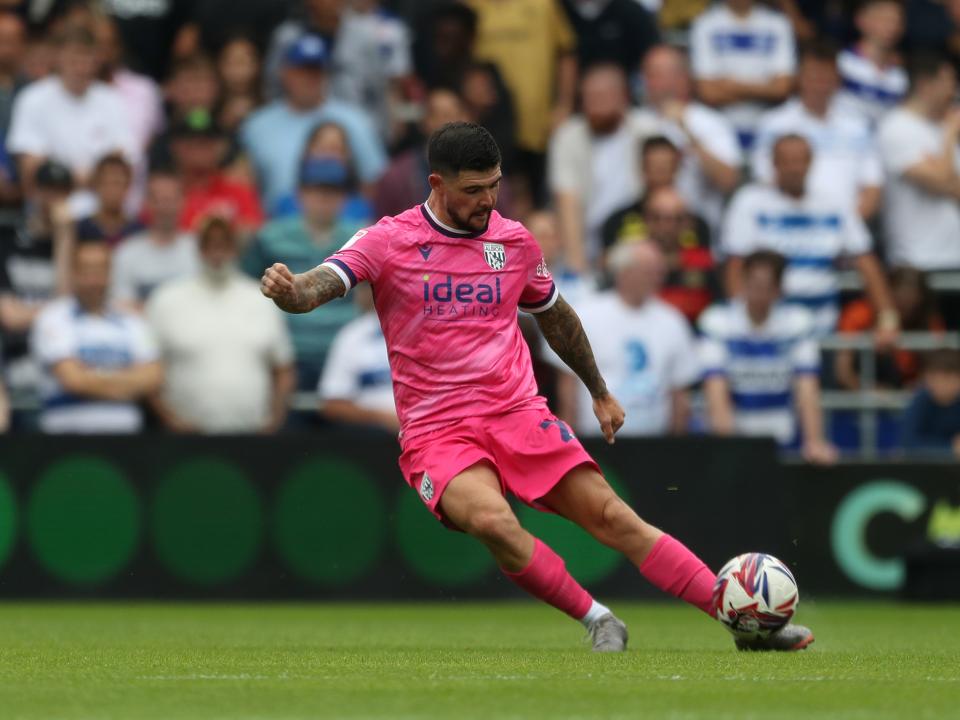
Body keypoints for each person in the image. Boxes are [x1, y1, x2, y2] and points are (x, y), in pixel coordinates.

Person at [259, 122, 815, 652]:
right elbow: (320, 286)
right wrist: (292, 291)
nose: (487, 201)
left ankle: (743, 623)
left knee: (616, 518)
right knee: (492, 521)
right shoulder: (389, 239)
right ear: (437, 184)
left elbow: (555, 315)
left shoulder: (514, 242)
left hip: (517, 412)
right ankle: (598, 619)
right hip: (437, 430)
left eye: (495, 186)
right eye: (473, 190)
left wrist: (597, 389)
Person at [723, 134, 897, 337]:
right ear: (773, 164)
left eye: (799, 161)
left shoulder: (834, 203)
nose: (794, 169)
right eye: (787, 162)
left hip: (822, 327)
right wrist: (741, 323)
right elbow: (736, 266)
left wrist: (887, 317)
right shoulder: (750, 202)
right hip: (770, 332)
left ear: (811, 162)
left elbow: (865, 258)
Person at [147, 216, 295, 434]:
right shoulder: (166, 299)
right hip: (184, 440)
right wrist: (169, 420)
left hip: (252, 435)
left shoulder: (262, 298)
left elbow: (284, 369)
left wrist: (274, 421)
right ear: (198, 249)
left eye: (223, 244)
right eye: (209, 244)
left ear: (235, 249)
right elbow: (148, 367)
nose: (217, 253)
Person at [699, 250, 838, 464]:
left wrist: (814, 441)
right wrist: (728, 448)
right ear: (742, 282)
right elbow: (716, 391)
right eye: (754, 283)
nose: (759, 292)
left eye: (767, 286)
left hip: (783, 438)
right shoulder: (717, 321)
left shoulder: (798, 323)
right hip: (734, 438)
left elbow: (807, 388)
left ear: (778, 289)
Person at [552, 241, 699, 437]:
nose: (657, 277)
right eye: (649, 271)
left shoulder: (673, 321)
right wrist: (569, 440)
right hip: (596, 441)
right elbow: (567, 385)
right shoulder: (586, 315)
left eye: (659, 271)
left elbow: (679, 394)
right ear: (624, 272)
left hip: (655, 444)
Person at [243, 157, 364, 390]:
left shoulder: (360, 237)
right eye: (317, 190)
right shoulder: (271, 236)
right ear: (300, 194)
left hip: (344, 353)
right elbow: (248, 289)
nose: (324, 199)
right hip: (288, 353)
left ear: (344, 198)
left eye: (332, 192)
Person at [242, 32, 386, 215]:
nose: (309, 77)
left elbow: (375, 183)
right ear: (284, 72)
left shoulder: (356, 121)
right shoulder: (256, 126)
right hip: (276, 230)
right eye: (302, 70)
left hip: (344, 229)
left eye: (316, 70)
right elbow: (243, 183)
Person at [30, 240, 163, 434]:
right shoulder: (53, 317)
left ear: (110, 275)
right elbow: (72, 380)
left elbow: (153, 377)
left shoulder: (132, 321)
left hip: (126, 437)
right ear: (74, 273)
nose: (94, 280)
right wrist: (127, 384)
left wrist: (91, 378)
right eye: (86, 271)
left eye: (100, 271)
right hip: (64, 438)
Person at [7, 24, 137, 212]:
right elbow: (32, 171)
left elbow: (121, 164)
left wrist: (64, 177)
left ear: (97, 60)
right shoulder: (32, 99)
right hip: (50, 211)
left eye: (87, 57)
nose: (80, 66)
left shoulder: (112, 100)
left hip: (101, 212)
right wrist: (93, 178)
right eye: (74, 57)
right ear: (58, 58)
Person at [752, 40, 884, 219]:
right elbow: (765, 180)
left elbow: (872, 186)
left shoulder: (858, 126)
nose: (820, 84)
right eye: (814, 76)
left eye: (826, 76)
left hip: (846, 232)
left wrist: (846, 228)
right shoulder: (774, 123)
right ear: (799, 78)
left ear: (837, 80)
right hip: (788, 226)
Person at [548, 63, 658, 274]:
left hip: (636, 235)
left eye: (603, 96)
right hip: (587, 241)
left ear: (623, 97)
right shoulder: (568, 136)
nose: (595, 104)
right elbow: (567, 200)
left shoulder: (646, 130)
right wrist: (577, 268)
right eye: (589, 97)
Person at [466, 0, 577, 205]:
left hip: (536, 122)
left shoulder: (544, 4)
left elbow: (566, 52)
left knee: (534, 200)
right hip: (488, 123)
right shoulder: (471, 5)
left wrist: (564, 104)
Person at [634, 44, 742, 233]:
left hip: (698, 235)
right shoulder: (634, 120)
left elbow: (728, 181)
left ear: (682, 78)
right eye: (648, 75)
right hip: (642, 231)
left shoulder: (710, 122)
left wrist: (687, 132)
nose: (650, 82)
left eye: (658, 74)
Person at [877, 51, 960, 271]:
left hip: (954, 256)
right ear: (925, 84)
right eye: (949, 82)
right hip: (915, 262)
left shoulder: (944, 128)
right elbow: (942, 181)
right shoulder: (896, 127)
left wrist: (942, 172)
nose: (953, 91)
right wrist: (950, 134)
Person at [690, 0, 796, 152]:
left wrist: (730, 85)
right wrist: (765, 88)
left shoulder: (778, 24)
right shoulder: (705, 24)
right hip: (719, 127)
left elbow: (782, 89)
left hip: (769, 129)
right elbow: (707, 92)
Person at [603, 187, 717, 325]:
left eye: (676, 219)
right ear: (645, 219)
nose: (666, 226)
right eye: (657, 218)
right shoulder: (626, 259)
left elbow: (718, 310)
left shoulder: (704, 262)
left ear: (688, 223)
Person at [835, 267, 945, 391]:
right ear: (888, 293)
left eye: (912, 298)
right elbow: (843, 371)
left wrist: (914, 392)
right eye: (900, 297)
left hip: (915, 394)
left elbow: (938, 368)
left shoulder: (930, 322)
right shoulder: (860, 313)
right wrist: (873, 392)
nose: (906, 304)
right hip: (863, 392)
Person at [373, 87, 470, 219]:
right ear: (426, 121)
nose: (454, 124)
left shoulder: (483, 173)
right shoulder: (396, 176)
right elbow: (381, 228)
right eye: (445, 116)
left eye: (457, 116)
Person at [111, 168, 200, 312]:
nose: (164, 207)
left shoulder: (199, 249)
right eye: (158, 200)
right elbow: (121, 305)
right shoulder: (127, 252)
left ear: (183, 202)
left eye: (170, 200)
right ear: (147, 204)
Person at [171, 108, 264, 236]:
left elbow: (253, 237)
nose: (199, 147)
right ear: (175, 147)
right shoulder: (163, 194)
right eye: (190, 141)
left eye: (206, 141)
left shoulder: (239, 193)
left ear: (221, 147)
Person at [319, 283, 397, 433]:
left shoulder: (432, 332)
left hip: (428, 433)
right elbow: (332, 404)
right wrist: (384, 419)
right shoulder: (352, 335)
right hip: (373, 436)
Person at [836, 0, 908, 126]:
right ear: (861, 20)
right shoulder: (842, 62)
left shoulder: (900, 78)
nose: (891, 27)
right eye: (883, 20)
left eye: (896, 21)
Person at [561, 0, 660, 74]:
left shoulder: (630, 12)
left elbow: (655, 55)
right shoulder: (557, 11)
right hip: (568, 96)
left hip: (624, 94)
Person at [75, 153, 144, 246]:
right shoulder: (80, 229)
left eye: (117, 183)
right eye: (106, 183)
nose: (112, 190)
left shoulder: (139, 232)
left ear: (128, 187)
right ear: (95, 186)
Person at [901, 349, 960, 457]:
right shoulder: (921, 400)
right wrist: (950, 448)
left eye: (946, 379)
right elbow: (908, 443)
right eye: (934, 378)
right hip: (925, 469)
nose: (940, 385)